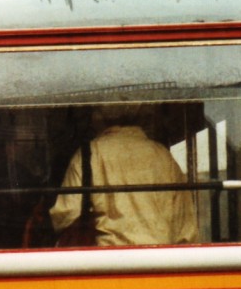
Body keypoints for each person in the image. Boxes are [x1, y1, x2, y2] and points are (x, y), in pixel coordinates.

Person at [49, 105, 199, 246]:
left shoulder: (89, 154)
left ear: (100, 118)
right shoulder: (164, 157)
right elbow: (186, 230)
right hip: (159, 259)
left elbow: (66, 215)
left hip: (105, 259)